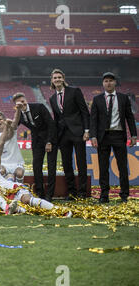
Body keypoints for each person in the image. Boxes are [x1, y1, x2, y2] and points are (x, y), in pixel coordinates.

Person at [89, 72, 137, 203]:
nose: (108, 83)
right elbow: (93, 120)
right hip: (103, 137)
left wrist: (133, 135)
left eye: (111, 80)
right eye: (106, 81)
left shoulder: (123, 98)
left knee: (122, 166)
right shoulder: (97, 99)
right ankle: (104, 195)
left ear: (115, 82)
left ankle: (124, 195)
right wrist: (93, 136)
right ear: (103, 84)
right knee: (103, 167)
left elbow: (130, 117)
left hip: (118, 135)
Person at [48, 68, 90, 199]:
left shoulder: (75, 91)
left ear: (63, 78)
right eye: (55, 78)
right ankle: (72, 192)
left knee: (81, 163)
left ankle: (82, 192)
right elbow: (56, 118)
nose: (57, 80)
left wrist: (86, 130)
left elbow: (84, 111)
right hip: (63, 135)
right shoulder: (52, 98)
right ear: (52, 81)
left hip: (78, 132)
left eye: (59, 77)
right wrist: (53, 138)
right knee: (67, 164)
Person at [14, 92, 57, 202]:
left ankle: (49, 194)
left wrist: (49, 142)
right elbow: (13, 126)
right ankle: (39, 193)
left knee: (51, 166)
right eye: (19, 103)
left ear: (26, 100)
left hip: (50, 138)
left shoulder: (39, 107)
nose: (22, 104)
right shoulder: (19, 114)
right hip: (37, 141)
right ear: (15, 105)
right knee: (36, 166)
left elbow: (51, 124)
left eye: (23, 101)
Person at [0, 111, 25, 183]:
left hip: (16, 162)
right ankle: (5, 189)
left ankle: (19, 188)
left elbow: (16, 120)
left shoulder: (11, 130)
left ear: (4, 120)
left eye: (0, 119)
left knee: (19, 173)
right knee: (1, 171)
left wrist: (18, 109)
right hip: (2, 162)